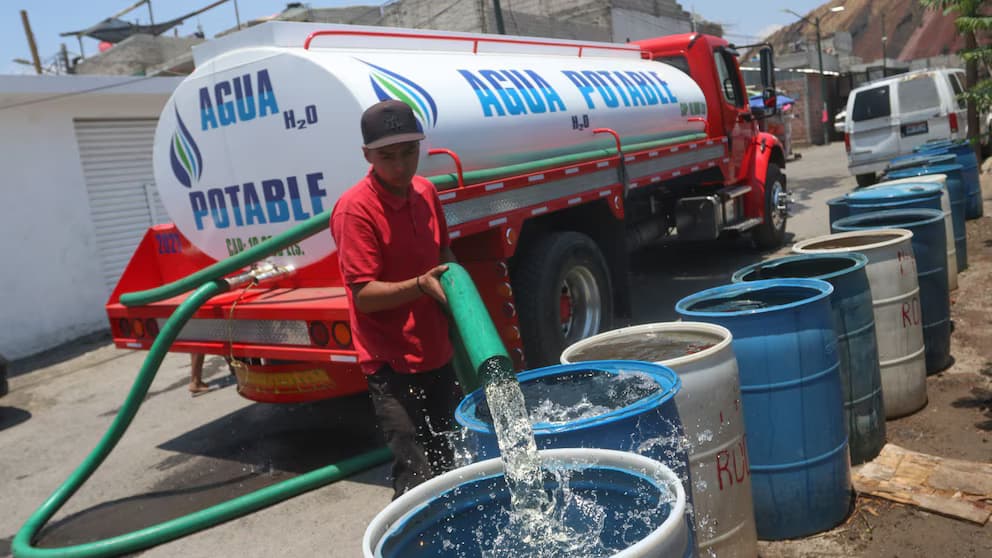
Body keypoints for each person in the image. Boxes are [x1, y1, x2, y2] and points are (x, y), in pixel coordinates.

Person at [330, 99, 462, 499]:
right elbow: (364, 296)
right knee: (415, 469)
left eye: (410, 152)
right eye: (388, 156)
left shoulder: (424, 191)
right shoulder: (356, 211)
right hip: (391, 361)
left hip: (436, 349)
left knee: (451, 455)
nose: (402, 166)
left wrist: (463, 311)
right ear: (367, 155)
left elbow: (445, 255)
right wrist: (420, 285)